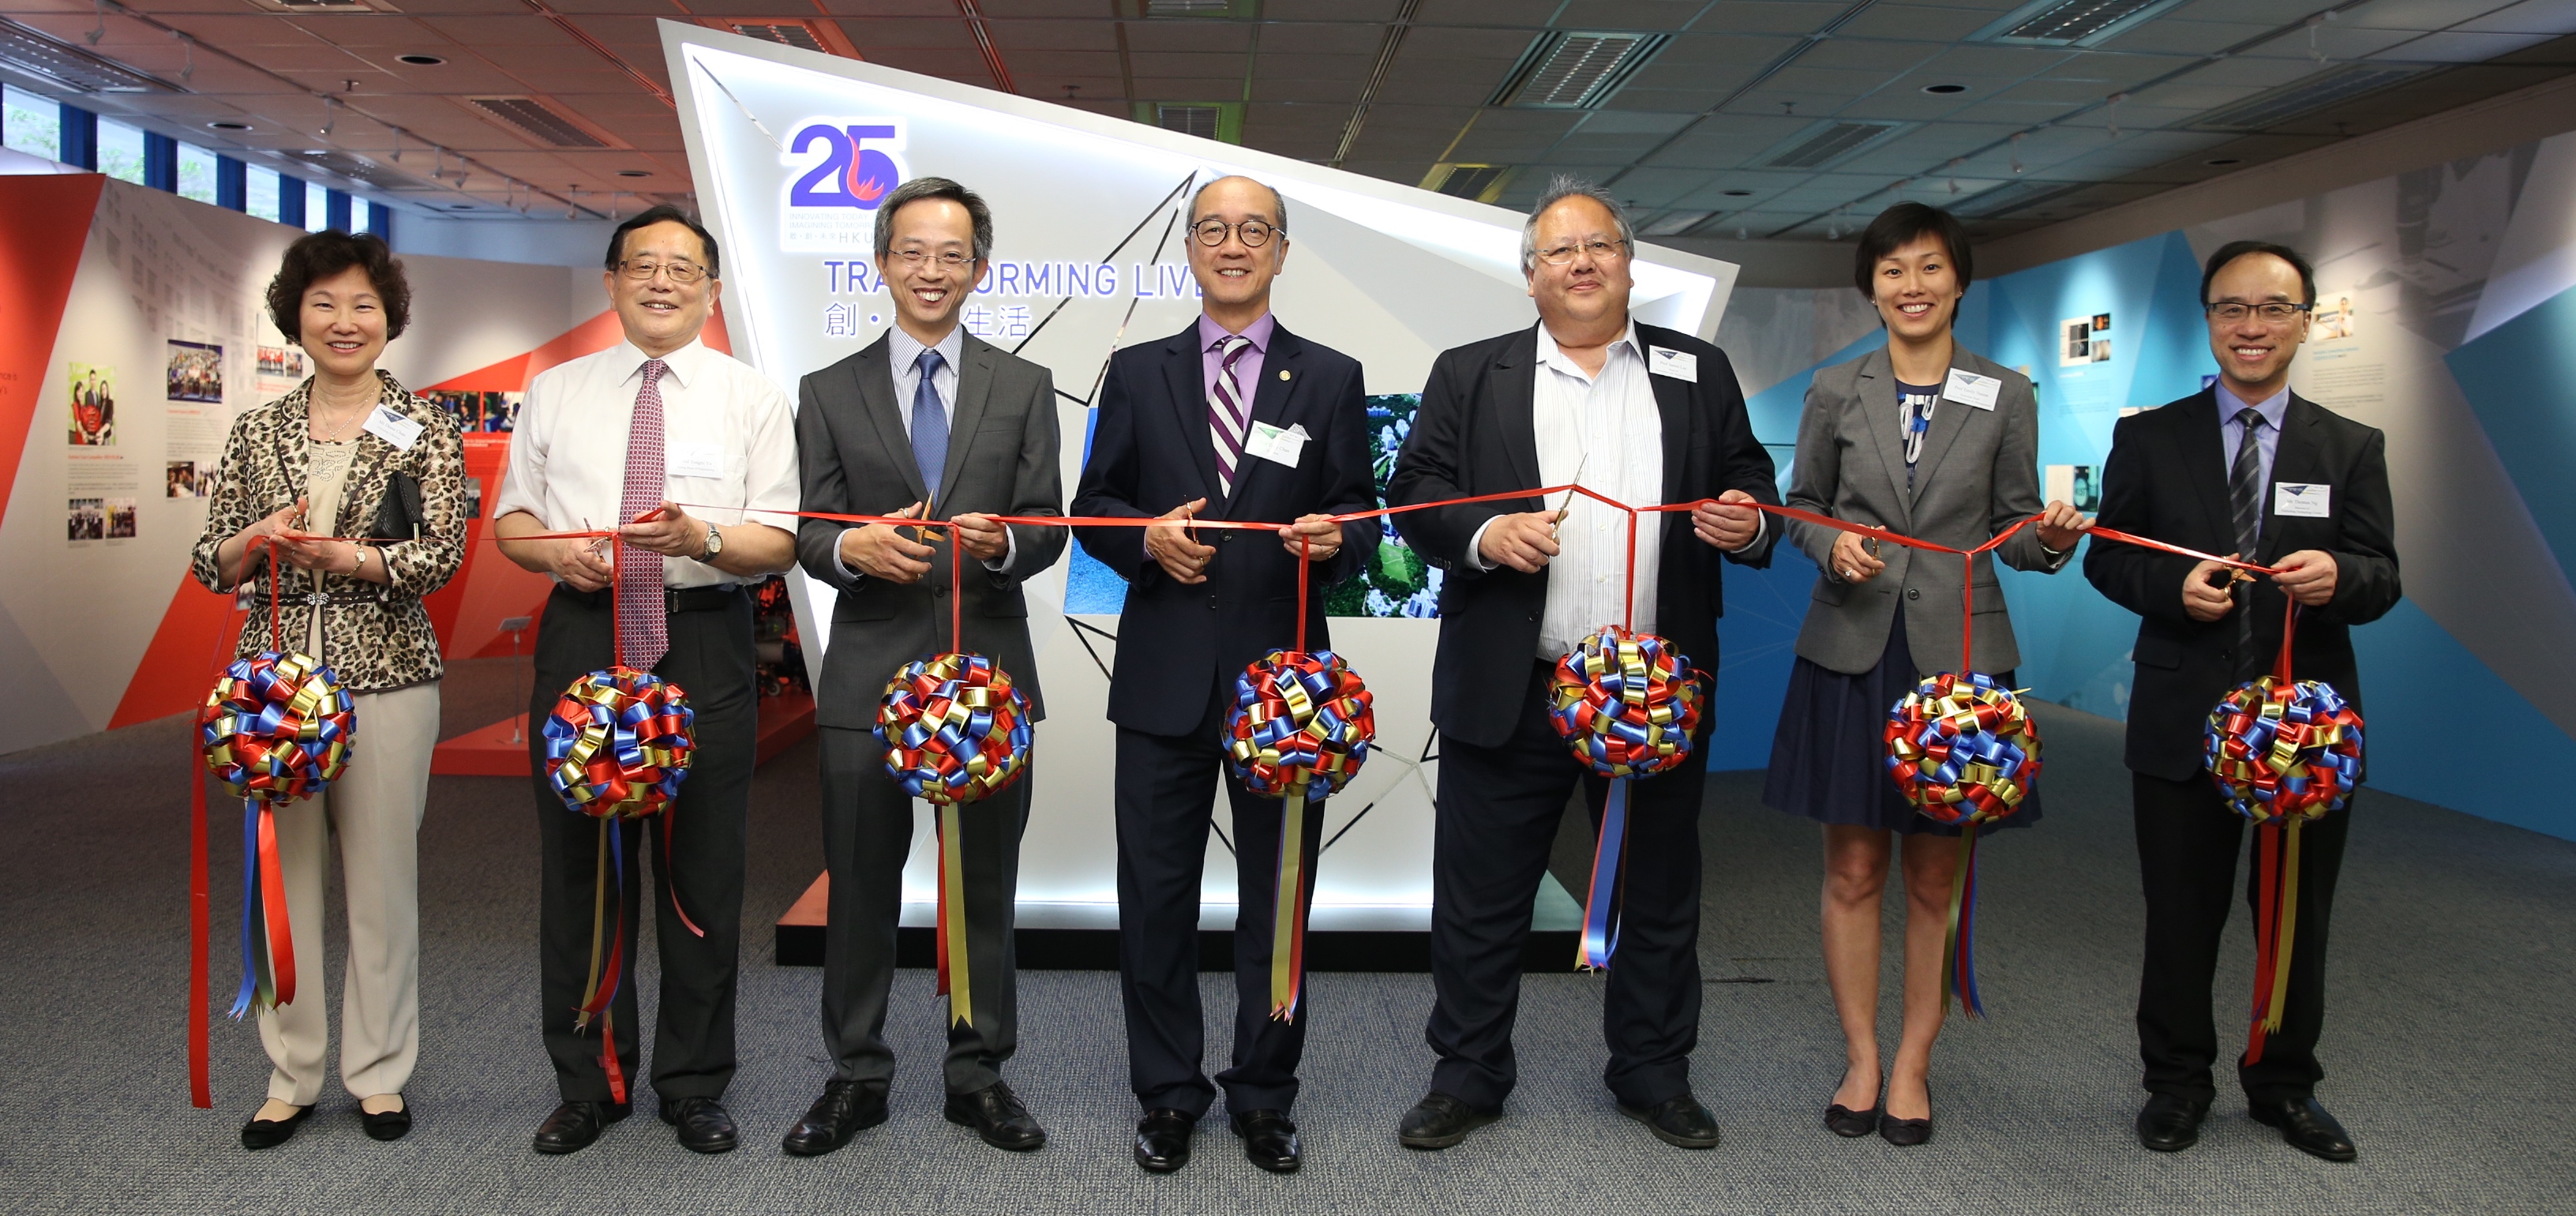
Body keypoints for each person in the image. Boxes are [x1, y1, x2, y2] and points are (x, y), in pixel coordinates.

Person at [1384, 176, 1779, 1151]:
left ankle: (1651, 1072)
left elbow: (1752, 484)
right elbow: (1414, 496)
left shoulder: (1698, 368)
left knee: (1656, 893)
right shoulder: (1469, 373)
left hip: (1653, 688)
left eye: (1598, 245)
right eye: (1559, 252)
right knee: (1480, 897)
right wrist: (1484, 534)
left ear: (1629, 263)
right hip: (1512, 681)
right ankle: (1467, 1075)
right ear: (1529, 278)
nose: (1582, 263)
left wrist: (1745, 522)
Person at [1070, 175, 1378, 1175]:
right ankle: (1166, 1095)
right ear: (1191, 249)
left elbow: (1360, 528)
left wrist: (1333, 539)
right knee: (1154, 898)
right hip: (1162, 674)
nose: (1233, 244)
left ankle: (1263, 1092)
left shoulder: (1330, 376)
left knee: (1276, 896)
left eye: (1254, 230)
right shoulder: (1135, 369)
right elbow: (1094, 503)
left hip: (1284, 689)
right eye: (1213, 229)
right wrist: (1143, 539)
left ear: (1281, 251)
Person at [1759, 203, 2084, 1147]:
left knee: (1935, 875)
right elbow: (1801, 505)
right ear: (1870, 286)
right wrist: (1832, 545)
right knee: (1854, 868)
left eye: (1929, 268)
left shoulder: (2003, 391)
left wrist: (2048, 539)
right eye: (1893, 270)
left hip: (1961, 659)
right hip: (1851, 648)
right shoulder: (1834, 388)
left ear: (1958, 281)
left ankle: (1913, 1063)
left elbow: (2013, 528)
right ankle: (1860, 1055)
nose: (1911, 286)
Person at [492, 205, 800, 1157]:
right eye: (642, 266)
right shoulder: (556, 390)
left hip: (702, 638)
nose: (660, 282)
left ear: (711, 290)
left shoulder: (750, 394)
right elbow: (513, 519)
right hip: (584, 637)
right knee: (582, 873)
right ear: (611, 282)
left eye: (682, 268)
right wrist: (556, 555)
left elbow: (778, 537)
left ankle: (695, 1082)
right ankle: (589, 1080)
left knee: (703, 873)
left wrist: (699, 536)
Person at [2083, 240, 2399, 1162]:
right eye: (2231, 308)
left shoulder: (2349, 446)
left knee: (2292, 914)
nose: (2250, 326)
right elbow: (2108, 554)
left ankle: (2283, 1085)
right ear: (2207, 317)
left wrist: (2338, 573)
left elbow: (2382, 578)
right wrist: (2167, 588)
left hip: (2303, 731)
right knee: (2180, 913)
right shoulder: (2150, 436)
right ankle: (2175, 1085)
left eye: (2271, 309)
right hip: (2184, 719)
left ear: (2303, 321)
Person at [780, 177, 1067, 1159]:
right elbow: (807, 528)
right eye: (912, 251)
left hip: (986, 675)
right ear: (882, 262)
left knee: (984, 881)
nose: (931, 269)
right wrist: (847, 549)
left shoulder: (1023, 386)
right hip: (867, 675)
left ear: (978, 268)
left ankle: (978, 1074)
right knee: (860, 882)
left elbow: (1047, 524)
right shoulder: (826, 389)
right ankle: (854, 1073)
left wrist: (998, 547)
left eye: (951, 253)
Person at [189, 230, 466, 1150]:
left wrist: (356, 557)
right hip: (274, 689)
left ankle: (380, 1075)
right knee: (283, 879)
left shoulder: (423, 426)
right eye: (324, 305)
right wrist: (252, 540)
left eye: (362, 307)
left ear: (389, 319)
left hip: (386, 674)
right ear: (294, 316)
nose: (344, 323)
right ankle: (290, 1072)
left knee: (382, 883)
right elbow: (208, 559)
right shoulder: (257, 427)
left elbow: (440, 554)